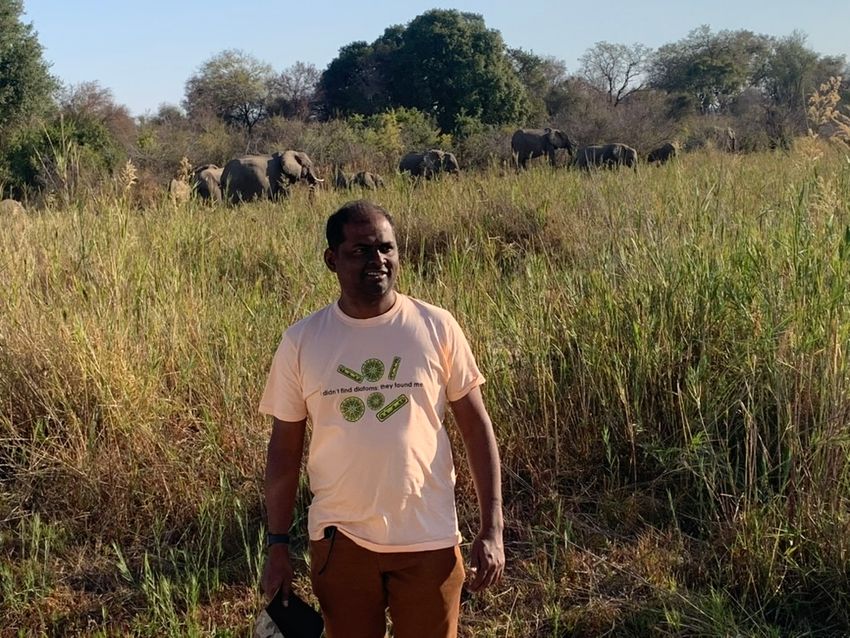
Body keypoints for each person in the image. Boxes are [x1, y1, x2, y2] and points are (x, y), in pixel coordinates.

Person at [259, 199, 504, 638]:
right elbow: (284, 451)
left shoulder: (436, 326)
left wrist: (493, 528)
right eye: (361, 251)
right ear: (331, 259)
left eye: (386, 248)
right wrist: (278, 546)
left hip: (429, 537)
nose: (378, 261)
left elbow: (476, 427)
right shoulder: (302, 341)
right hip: (341, 540)